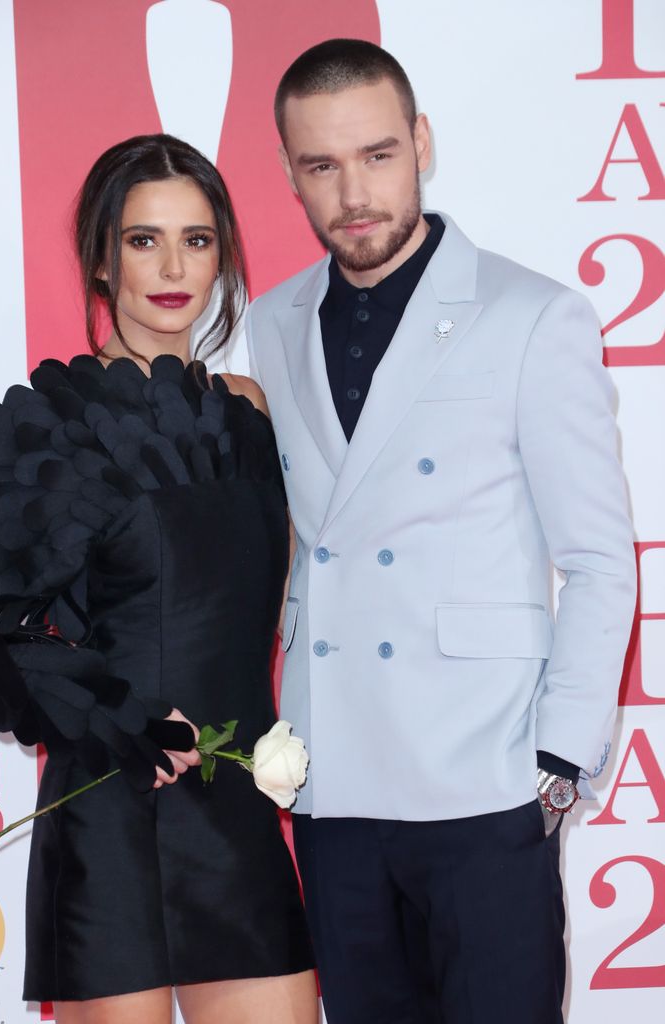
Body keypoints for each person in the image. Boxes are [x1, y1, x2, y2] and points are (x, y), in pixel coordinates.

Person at [246, 38, 637, 1024]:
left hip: (483, 781)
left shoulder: (530, 315)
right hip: (333, 786)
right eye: (321, 166)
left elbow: (595, 559)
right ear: (290, 174)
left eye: (376, 155)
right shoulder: (272, 320)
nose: (353, 193)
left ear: (420, 142)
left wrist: (553, 766)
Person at [0, 134, 316, 1024]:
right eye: (143, 239)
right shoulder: (56, 424)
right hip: (111, 806)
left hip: (233, 808)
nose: (172, 266)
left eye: (195, 239)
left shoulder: (248, 411)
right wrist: (127, 720)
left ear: (223, 251)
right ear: (102, 257)